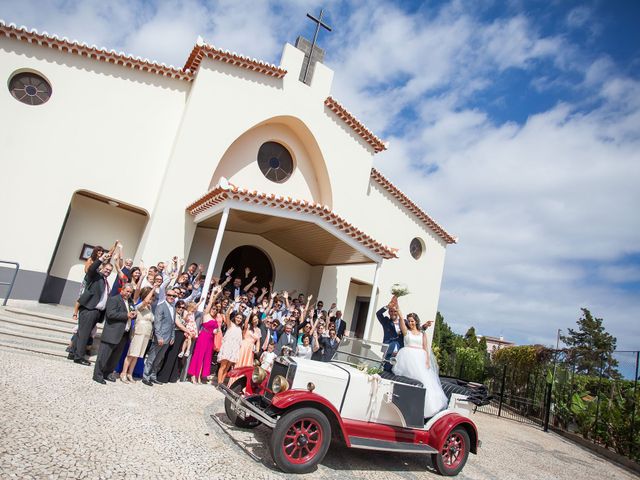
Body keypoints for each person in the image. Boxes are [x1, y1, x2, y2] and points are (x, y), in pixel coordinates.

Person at [392, 300, 448, 418]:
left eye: (412, 321)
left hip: (420, 359)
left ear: (416, 321)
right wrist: (398, 306)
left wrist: (427, 361)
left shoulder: (422, 334)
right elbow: (401, 319)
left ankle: (426, 408)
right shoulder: (406, 332)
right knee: (410, 382)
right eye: (409, 321)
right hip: (407, 358)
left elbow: (425, 348)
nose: (411, 323)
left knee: (424, 382)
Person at [70, 251, 113, 365]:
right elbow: (91, 269)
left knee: (82, 332)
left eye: (110, 270)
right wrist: (101, 259)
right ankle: (79, 357)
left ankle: (73, 352)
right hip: (89, 309)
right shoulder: (95, 276)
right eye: (106, 269)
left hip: (96, 312)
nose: (108, 271)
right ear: (102, 267)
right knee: (84, 334)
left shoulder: (105, 281)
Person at [92, 283, 137, 384]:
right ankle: (97, 375)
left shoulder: (130, 302)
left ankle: (107, 373)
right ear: (122, 290)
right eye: (127, 291)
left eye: (130, 292)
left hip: (124, 333)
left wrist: (134, 314)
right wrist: (126, 315)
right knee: (104, 355)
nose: (128, 293)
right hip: (112, 332)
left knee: (115, 356)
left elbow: (132, 312)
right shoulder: (114, 299)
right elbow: (111, 314)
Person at [142, 288, 177, 386]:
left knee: (159, 359)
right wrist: (159, 336)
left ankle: (153, 376)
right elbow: (157, 323)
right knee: (152, 358)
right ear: (166, 295)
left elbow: (173, 324)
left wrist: (173, 337)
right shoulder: (161, 306)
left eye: (173, 296)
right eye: (169, 295)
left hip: (168, 338)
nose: (171, 297)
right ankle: (146, 376)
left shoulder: (173, 308)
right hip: (160, 338)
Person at [188, 287, 222, 384]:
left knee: (206, 358)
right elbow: (211, 302)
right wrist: (215, 293)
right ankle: (194, 375)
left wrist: (217, 330)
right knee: (199, 355)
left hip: (211, 339)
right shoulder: (206, 314)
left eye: (216, 310)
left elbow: (217, 330)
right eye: (214, 308)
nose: (214, 310)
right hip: (203, 336)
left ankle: (199, 375)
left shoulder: (215, 318)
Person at [121, 286, 155, 382]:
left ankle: (130, 374)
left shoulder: (150, 307)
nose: (151, 300)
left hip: (146, 334)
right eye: (150, 298)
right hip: (139, 332)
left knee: (137, 355)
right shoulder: (140, 305)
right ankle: (123, 372)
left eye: (152, 299)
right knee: (131, 353)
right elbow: (145, 301)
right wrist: (153, 289)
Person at [156, 299, 189, 384]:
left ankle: (171, 377)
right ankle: (163, 376)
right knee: (170, 356)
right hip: (175, 335)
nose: (181, 309)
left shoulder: (180, 315)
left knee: (175, 357)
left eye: (183, 307)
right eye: (179, 307)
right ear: (176, 306)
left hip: (180, 336)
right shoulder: (174, 314)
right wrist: (188, 331)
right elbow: (178, 325)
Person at [216, 302, 244, 384]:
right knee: (223, 366)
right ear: (235, 317)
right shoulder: (230, 324)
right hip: (227, 347)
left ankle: (221, 382)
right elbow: (227, 314)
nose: (238, 319)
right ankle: (219, 383)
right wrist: (232, 305)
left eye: (240, 318)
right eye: (237, 317)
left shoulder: (240, 328)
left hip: (234, 349)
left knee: (227, 368)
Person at [377, 300, 404, 372]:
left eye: (395, 311)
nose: (393, 313)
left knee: (396, 370)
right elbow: (378, 314)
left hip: (400, 349)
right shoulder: (385, 321)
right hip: (388, 349)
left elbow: (413, 329)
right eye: (391, 311)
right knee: (385, 368)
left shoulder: (403, 322)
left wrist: (424, 327)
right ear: (389, 312)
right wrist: (387, 306)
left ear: (398, 312)